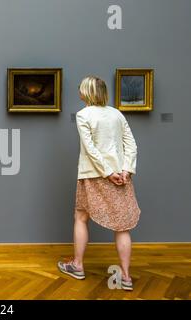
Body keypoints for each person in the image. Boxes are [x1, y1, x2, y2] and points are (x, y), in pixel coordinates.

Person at [57, 76, 141, 291]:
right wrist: (126, 169)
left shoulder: (84, 115)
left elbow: (90, 148)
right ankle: (126, 277)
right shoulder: (116, 113)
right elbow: (131, 144)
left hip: (93, 174)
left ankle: (77, 265)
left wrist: (107, 172)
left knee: (81, 216)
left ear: (85, 92)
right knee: (122, 226)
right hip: (120, 175)